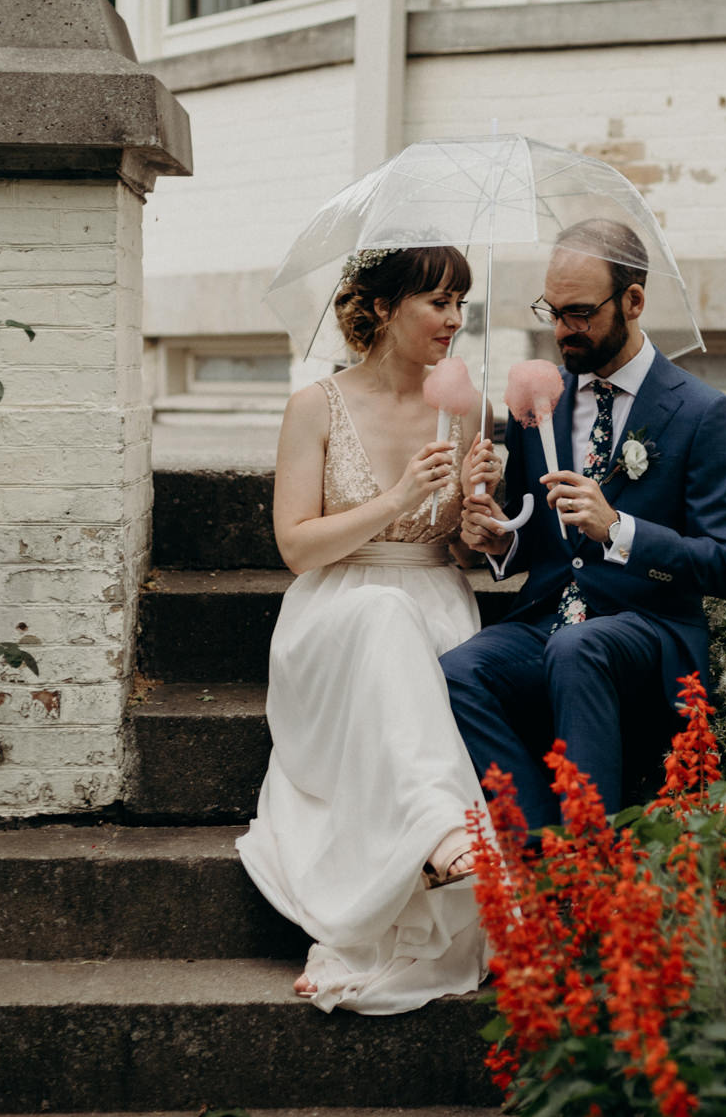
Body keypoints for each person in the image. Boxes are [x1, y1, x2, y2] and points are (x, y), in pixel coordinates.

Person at [235, 245, 488, 1014]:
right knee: (384, 616)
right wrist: (399, 495)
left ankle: (425, 857)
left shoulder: (464, 404)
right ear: (381, 308)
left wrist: (483, 521)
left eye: (460, 304)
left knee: (405, 628)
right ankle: (444, 833)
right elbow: (296, 546)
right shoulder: (315, 405)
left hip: (437, 599)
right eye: (438, 302)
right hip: (336, 611)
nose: (454, 320)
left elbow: (471, 548)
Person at [444, 221, 726, 830]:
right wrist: (500, 537)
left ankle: (593, 868)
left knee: (578, 647)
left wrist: (618, 529)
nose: (562, 331)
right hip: (550, 619)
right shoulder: (538, 401)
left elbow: (725, 564)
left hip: (650, 630)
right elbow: (539, 541)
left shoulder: (702, 412)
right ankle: (547, 849)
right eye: (552, 311)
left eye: (580, 313)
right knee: (456, 671)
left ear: (634, 301)